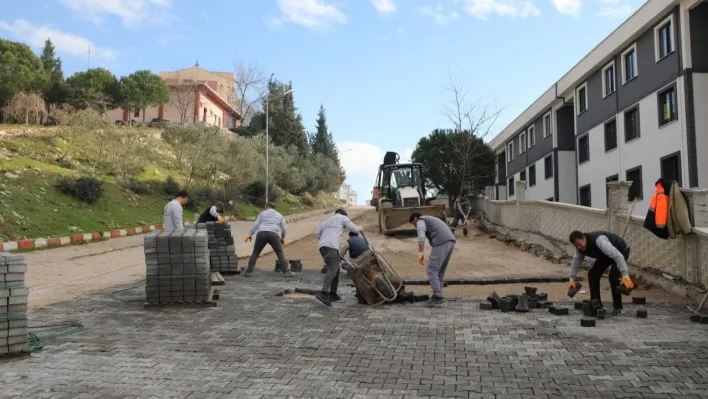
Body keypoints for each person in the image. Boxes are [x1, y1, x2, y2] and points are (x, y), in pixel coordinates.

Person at [568, 230, 635, 316]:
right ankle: (597, 305)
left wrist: (625, 275)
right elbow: (576, 263)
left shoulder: (599, 240)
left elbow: (618, 256)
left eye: (580, 244)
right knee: (593, 274)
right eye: (576, 246)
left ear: (584, 238)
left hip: (620, 251)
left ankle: (618, 308)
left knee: (613, 276)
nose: (579, 247)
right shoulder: (580, 249)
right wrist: (572, 279)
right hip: (605, 255)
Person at [314, 209, 362, 306]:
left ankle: (333, 293)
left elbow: (317, 233)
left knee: (336, 269)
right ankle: (323, 292)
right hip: (331, 247)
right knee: (332, 269)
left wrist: (324, 240)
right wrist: (360, 228)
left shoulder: (327, 221)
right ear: (344, 214)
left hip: (323, 247)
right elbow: (355, 229)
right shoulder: (343, 218)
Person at [410, 211, 456, 306]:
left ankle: (439, 297)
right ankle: (437, 295)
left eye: (413, 224)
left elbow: (421, 237)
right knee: (439, 271)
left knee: (432, 270)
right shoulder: (430, 219)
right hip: (450, 241)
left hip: (442, 242)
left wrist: (420, 255)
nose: (415, 226)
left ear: (415, 218)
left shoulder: (420, 220)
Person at [244, 202, 292, 278]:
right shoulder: (279, 215)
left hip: (261, 233)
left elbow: (256, 224)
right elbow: (284, 228)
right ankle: (286, 272)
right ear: (274, 208)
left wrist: (250, 234)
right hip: (273, 234)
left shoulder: (262, 213)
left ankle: (248, 272)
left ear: (266, 206)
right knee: (279, 253)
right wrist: (282, 238)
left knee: (255, 253)